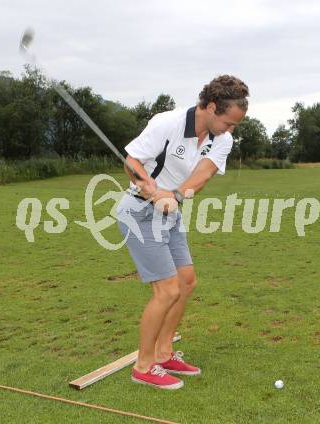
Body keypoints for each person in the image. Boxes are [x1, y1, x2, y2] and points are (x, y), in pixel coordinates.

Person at [116, 75, 249, 390]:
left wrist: (173, 196)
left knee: (186, 282)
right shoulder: (168, 123)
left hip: (170, 212)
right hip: (139, 212)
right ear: (212, 107)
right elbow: (131, 161)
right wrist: (148, 188)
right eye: (228, 123)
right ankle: (144, 366)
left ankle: (164, 353)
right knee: (168, 290)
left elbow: (202, 176)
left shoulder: (223, 139)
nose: (231, 130)